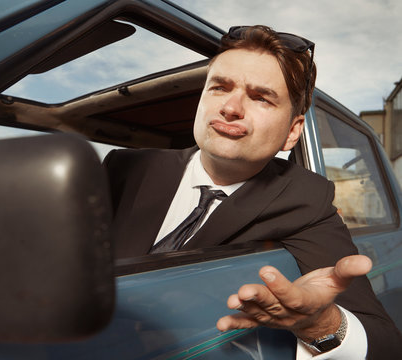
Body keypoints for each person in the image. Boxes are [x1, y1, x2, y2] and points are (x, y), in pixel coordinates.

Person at [104, 25, 402, 358]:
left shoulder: (305, 201)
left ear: (292, 132)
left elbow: (385, 345)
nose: (231, 107)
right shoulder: (123, 168)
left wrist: (321, 324)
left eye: (261, 97)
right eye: (219, 87)